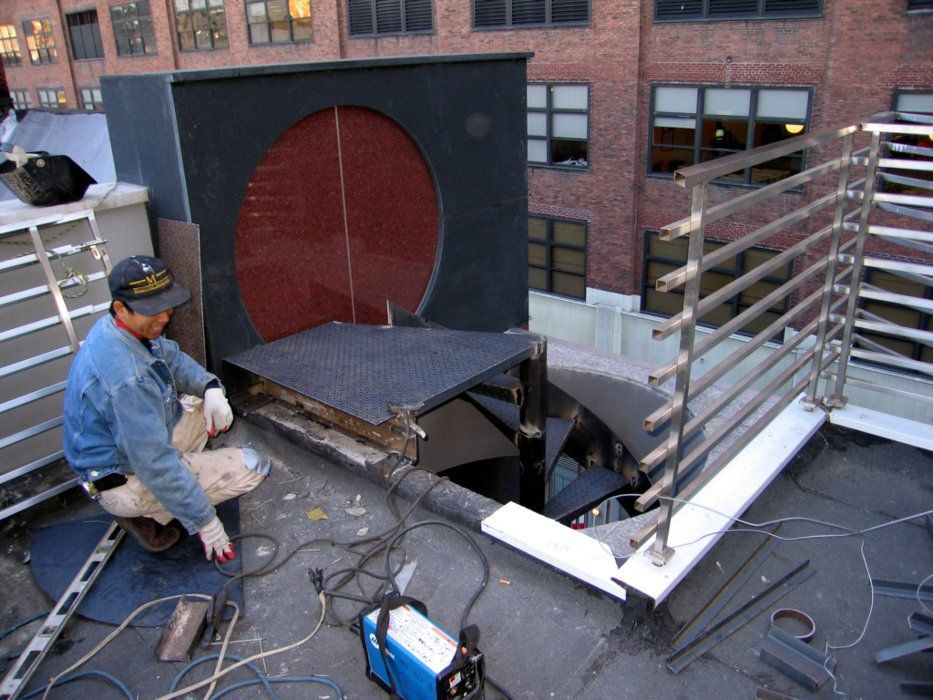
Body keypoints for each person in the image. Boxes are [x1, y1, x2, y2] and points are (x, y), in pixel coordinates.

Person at [63, 255, 269, 560]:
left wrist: (211, 387)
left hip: (133, 448)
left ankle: (182, 479)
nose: (163, 317)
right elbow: (154, 462)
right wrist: (206, 522)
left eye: (166, 306)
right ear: (121, 308)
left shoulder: (123, 328)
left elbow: (173, 360)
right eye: (152, 311)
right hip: (124, 476)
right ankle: (147, 514)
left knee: (203, 403)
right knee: (254, 465)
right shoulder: (127, 379)